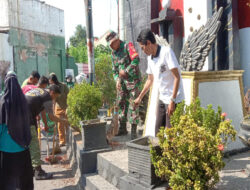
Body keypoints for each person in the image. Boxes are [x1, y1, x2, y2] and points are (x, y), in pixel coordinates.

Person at [134, 29, 184, 135]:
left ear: (148, 43)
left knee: (172, 134)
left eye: (143, 48)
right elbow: (150, 79)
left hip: (174, 99)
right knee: (158, 132)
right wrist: (140, 97)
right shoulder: (150, 59)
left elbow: (177, 77)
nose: (143, 51)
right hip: (162, 98)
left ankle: (172, 151)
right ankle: (159, 152)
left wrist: (173, 101)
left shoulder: (166, 52)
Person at [25, 85, 68, 180]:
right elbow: (51, 116)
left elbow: (43, 111)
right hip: (26, 119)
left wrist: (46, 124)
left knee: (26, 145)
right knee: (34, 145)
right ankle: (38, 172)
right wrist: (64, 121)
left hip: (19, 116)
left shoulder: (40, 91)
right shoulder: (47, 97)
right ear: (52, 92)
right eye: (56, 96)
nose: (55, 99)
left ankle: (31, 169)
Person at [0, 72, 33, 190]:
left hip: (5, 148)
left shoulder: (3, 102)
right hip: (22, 146)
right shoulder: (23, 101)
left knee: (7, 179)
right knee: (23, 179)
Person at [106, 30, 141, 139]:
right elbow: (114, 71)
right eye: (110, 45)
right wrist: (116, 79)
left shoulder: (127, 46)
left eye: (112, 43)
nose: (111, 46)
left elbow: (136, 59)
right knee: (121, 102)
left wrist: (126, 70)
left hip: (133, 80)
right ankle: (122, 127)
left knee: (133, 103)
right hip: (122, 82)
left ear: (117, 39)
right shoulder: (113, 53)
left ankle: (134, 130)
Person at [49, 73, 69, 147]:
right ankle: (62, 141)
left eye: (50, 80)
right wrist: (53, 110)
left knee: (67, 123)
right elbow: (53, 100)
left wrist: (68, 107)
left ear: (53, 80)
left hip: (66, 106)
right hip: (58, 107)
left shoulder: (63, 85)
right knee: (60, 125)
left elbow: (69, 96)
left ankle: (69, 139)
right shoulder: (51, 88)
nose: (49, 82)